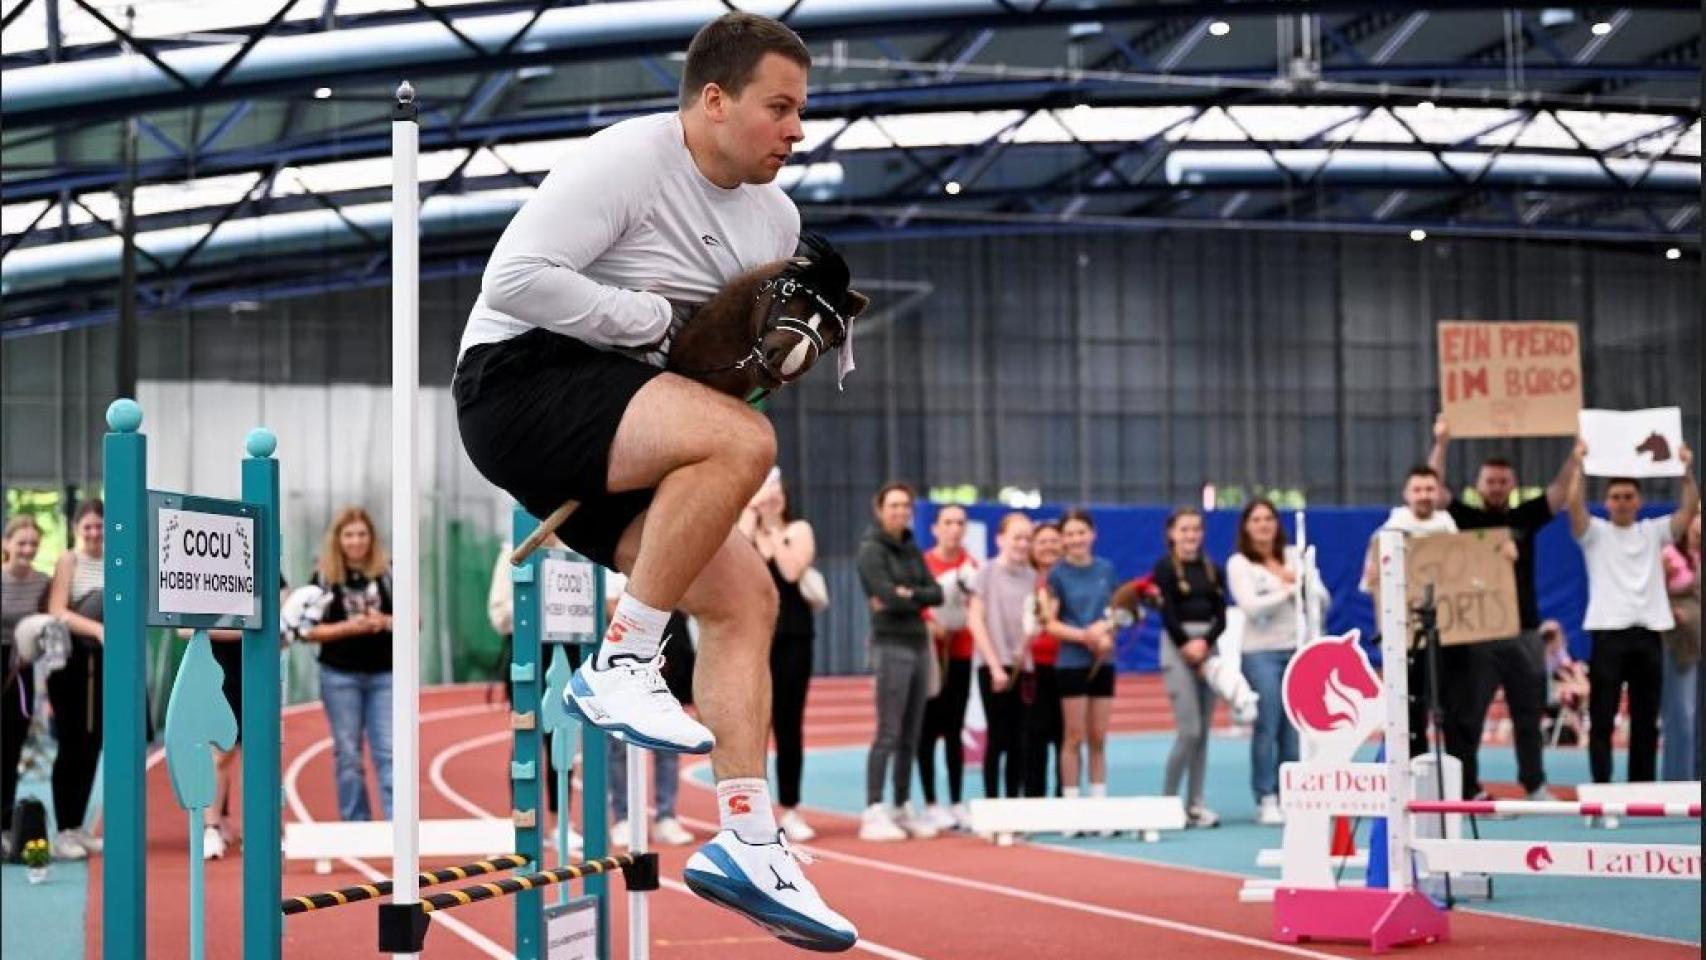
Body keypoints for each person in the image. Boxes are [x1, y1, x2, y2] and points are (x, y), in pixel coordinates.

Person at [451, 12, 856, 947]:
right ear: (713, 102)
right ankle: (624, 660)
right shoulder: (628, 158)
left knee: (747, 598)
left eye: (803, 111)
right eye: (780, 108)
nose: (798, 130)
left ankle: (749, 841)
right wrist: (647, 319)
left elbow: (714, 377)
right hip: (516, 386)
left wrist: (768, 365)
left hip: (636, 412)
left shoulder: (777, 218)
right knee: (743, 448)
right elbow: (513, 279)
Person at [1428, 415, 1577, 801]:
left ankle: (1533, 783)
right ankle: (1468, 787)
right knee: (1469, 716)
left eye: (1502, 481)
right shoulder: (1465, 518)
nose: (1496, 487)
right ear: (1479, 485)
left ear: (1512, 484)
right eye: (1490, 481)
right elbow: (1434, 490)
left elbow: (1560, 493)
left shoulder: (1525, 517)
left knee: (1528, 712)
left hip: (1524, 632)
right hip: (1478, 634)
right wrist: (1442, 443)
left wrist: (1577, 456)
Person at [1567, 439, 1698, 784]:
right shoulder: (1595, 533)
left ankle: (1639, 791)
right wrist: (1578, 466)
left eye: (1628, 497)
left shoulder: (1653, 532)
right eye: (1616, 497)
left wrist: (1686, 472)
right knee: (1603, 716)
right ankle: (1601, 791)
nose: (1622, 503)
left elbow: (1687, 513)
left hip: (1648, 634)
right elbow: (1573, 506)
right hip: (1608, 634)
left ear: (1639, 501)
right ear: (1606, 502)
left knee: (1645, 720)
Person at [1360, 466, 1466, 768]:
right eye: (1418, 489)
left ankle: (1460, 778)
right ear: (1407, 494)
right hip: (1408, 641)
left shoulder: (1450, 528)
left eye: (1430, 489)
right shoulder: (1388, 532)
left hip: (1450, 636)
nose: (1424, 495)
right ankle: (1413, 773)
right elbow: (1372, 584)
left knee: (1454, 708)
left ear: (1439, 493)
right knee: (1411, 709)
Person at [856, 482, 943, 842]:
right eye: (894, 505)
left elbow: (935, 593)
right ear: (880, 509)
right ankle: (874, 808)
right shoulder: (871, 550)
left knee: (912, 733)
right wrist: (907, 596)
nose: (901, 511)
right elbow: (886, 596)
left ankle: (902, 804)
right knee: (889, 731)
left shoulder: (911, 547)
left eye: (905, 505)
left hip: (919, 644)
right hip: (891, 645)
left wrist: (909, 595)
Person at [738, 470, 820, 843]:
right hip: (753, 637)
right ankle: (755, 810)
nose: (770, 496)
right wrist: (753, 515)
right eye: (763, 491)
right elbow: (734, 557)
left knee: (789, 724)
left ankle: (790, 807)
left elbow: (789, 569)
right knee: (752, 727)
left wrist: (773, 525)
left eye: (776, 492)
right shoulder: (744, 526)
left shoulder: (798, 529)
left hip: (793, 636)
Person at [302, 507, 396, 821]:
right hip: (340, 676)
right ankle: (356, 824)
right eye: (349, 535)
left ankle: (400, 826)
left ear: (371, 538)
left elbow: (415, 620)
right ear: (338, 540)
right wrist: (347, 628)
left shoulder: (388, 573)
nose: (356, 541)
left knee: (390, 752)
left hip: (385, 675)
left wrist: (383, 621)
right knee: (348, 754)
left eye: (361, 534)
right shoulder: (324, 579)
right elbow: (306, 630)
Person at [1226, 499, 1313, 826]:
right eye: (1256, 519)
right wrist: (1287, 589)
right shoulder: (1240, 564)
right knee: (1268, 722)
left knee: (1293, 729)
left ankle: (1290, 792)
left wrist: (1302, 583)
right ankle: (1266, 796)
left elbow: (1320, 597)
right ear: (1247, 527)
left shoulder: (1295, 556)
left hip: (1297, 650)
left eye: (1269, 519)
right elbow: (1251, 607)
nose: (1263, 525)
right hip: (1260, 652)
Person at [1152, 507, 1228, 828]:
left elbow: (1221, 615)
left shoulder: (1213, 569)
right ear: (1171, 534)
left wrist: (1205, 644)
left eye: (1196, 529)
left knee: (1204, 733)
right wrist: (1188, 645)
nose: (1191, 535)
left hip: (1208, 647)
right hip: (1177, 648)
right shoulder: (1165, 569)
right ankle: (1168, 801)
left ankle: (1196, 803)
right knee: (1190, 730)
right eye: (1184, 530)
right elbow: (1167, 613)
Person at [1044, 509, 1120, 810]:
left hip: (1103, 661)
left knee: (1098, 737)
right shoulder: (1057, 574)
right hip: (1072, 662)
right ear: (1063, 539)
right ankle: (1072, 805)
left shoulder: (1106, 570)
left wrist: (1107, 632)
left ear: (1093, 534)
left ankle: (1099, 803)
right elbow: (1050, 622)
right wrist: (1085, 636)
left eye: (1082, 533)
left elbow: (1119, 612)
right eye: (1070, 534)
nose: (1077, 539)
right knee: (1073, 736)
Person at [46, 500, 106, 860]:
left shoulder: (116, 557)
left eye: (99, 527)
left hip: (101, 662)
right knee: (71, 745)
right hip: (70, 661)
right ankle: (63, 828)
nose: (94, 534)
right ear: (75, 529)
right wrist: (96, 629)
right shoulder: (69, 560)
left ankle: (79, 827)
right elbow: (56, 608)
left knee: (92, 744)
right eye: (88, 527)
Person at [966, 512, 1035, 800]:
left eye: (1027, 538)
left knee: (1021, 739)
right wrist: (995, 666)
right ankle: (993, 804)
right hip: (994, 666)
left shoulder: (1033, 577)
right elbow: (975, 620)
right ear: (1000, 539)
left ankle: (1013, 804)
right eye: (1016, 537)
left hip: (1024, 666)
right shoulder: (986, 573)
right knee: (998, 737)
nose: (1022, 543)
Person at [918, 504, 978, 831]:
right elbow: (916, 603)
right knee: (927, 731)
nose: (954, 528)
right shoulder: (924, 564)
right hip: (929, 657)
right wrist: (931, 623)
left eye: (959, 522)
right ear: (936, 528)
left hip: (961, 654)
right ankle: (930, 804)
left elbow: (978, 607)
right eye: (948, 522)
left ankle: (956, 802)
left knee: (954, 728)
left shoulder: (972, 567)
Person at [1, 517, 51, 857]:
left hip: (21, 669)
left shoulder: (43, 583)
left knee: (11, 748)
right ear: (7, 544)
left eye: (34, 543)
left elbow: (48, 628)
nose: (28, 549)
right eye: (22, 543)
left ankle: (6, 828)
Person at [1022, 521, 1065, 798]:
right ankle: (1034, 800)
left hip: (1067, 665)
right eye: (1042, 542)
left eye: (1054, 541)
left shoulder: (1070, 579)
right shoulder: (1024, 579)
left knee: (1066, 736)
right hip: (1033, 667)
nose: (1048, 546)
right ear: (1032, 548)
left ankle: (1065, 798)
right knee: (1033, 736)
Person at [1661, 515, 1701, 780]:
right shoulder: (1669, 555)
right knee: (1682, 715)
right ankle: (1679, 779)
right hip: (1681, 645)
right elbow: (1655, 592)